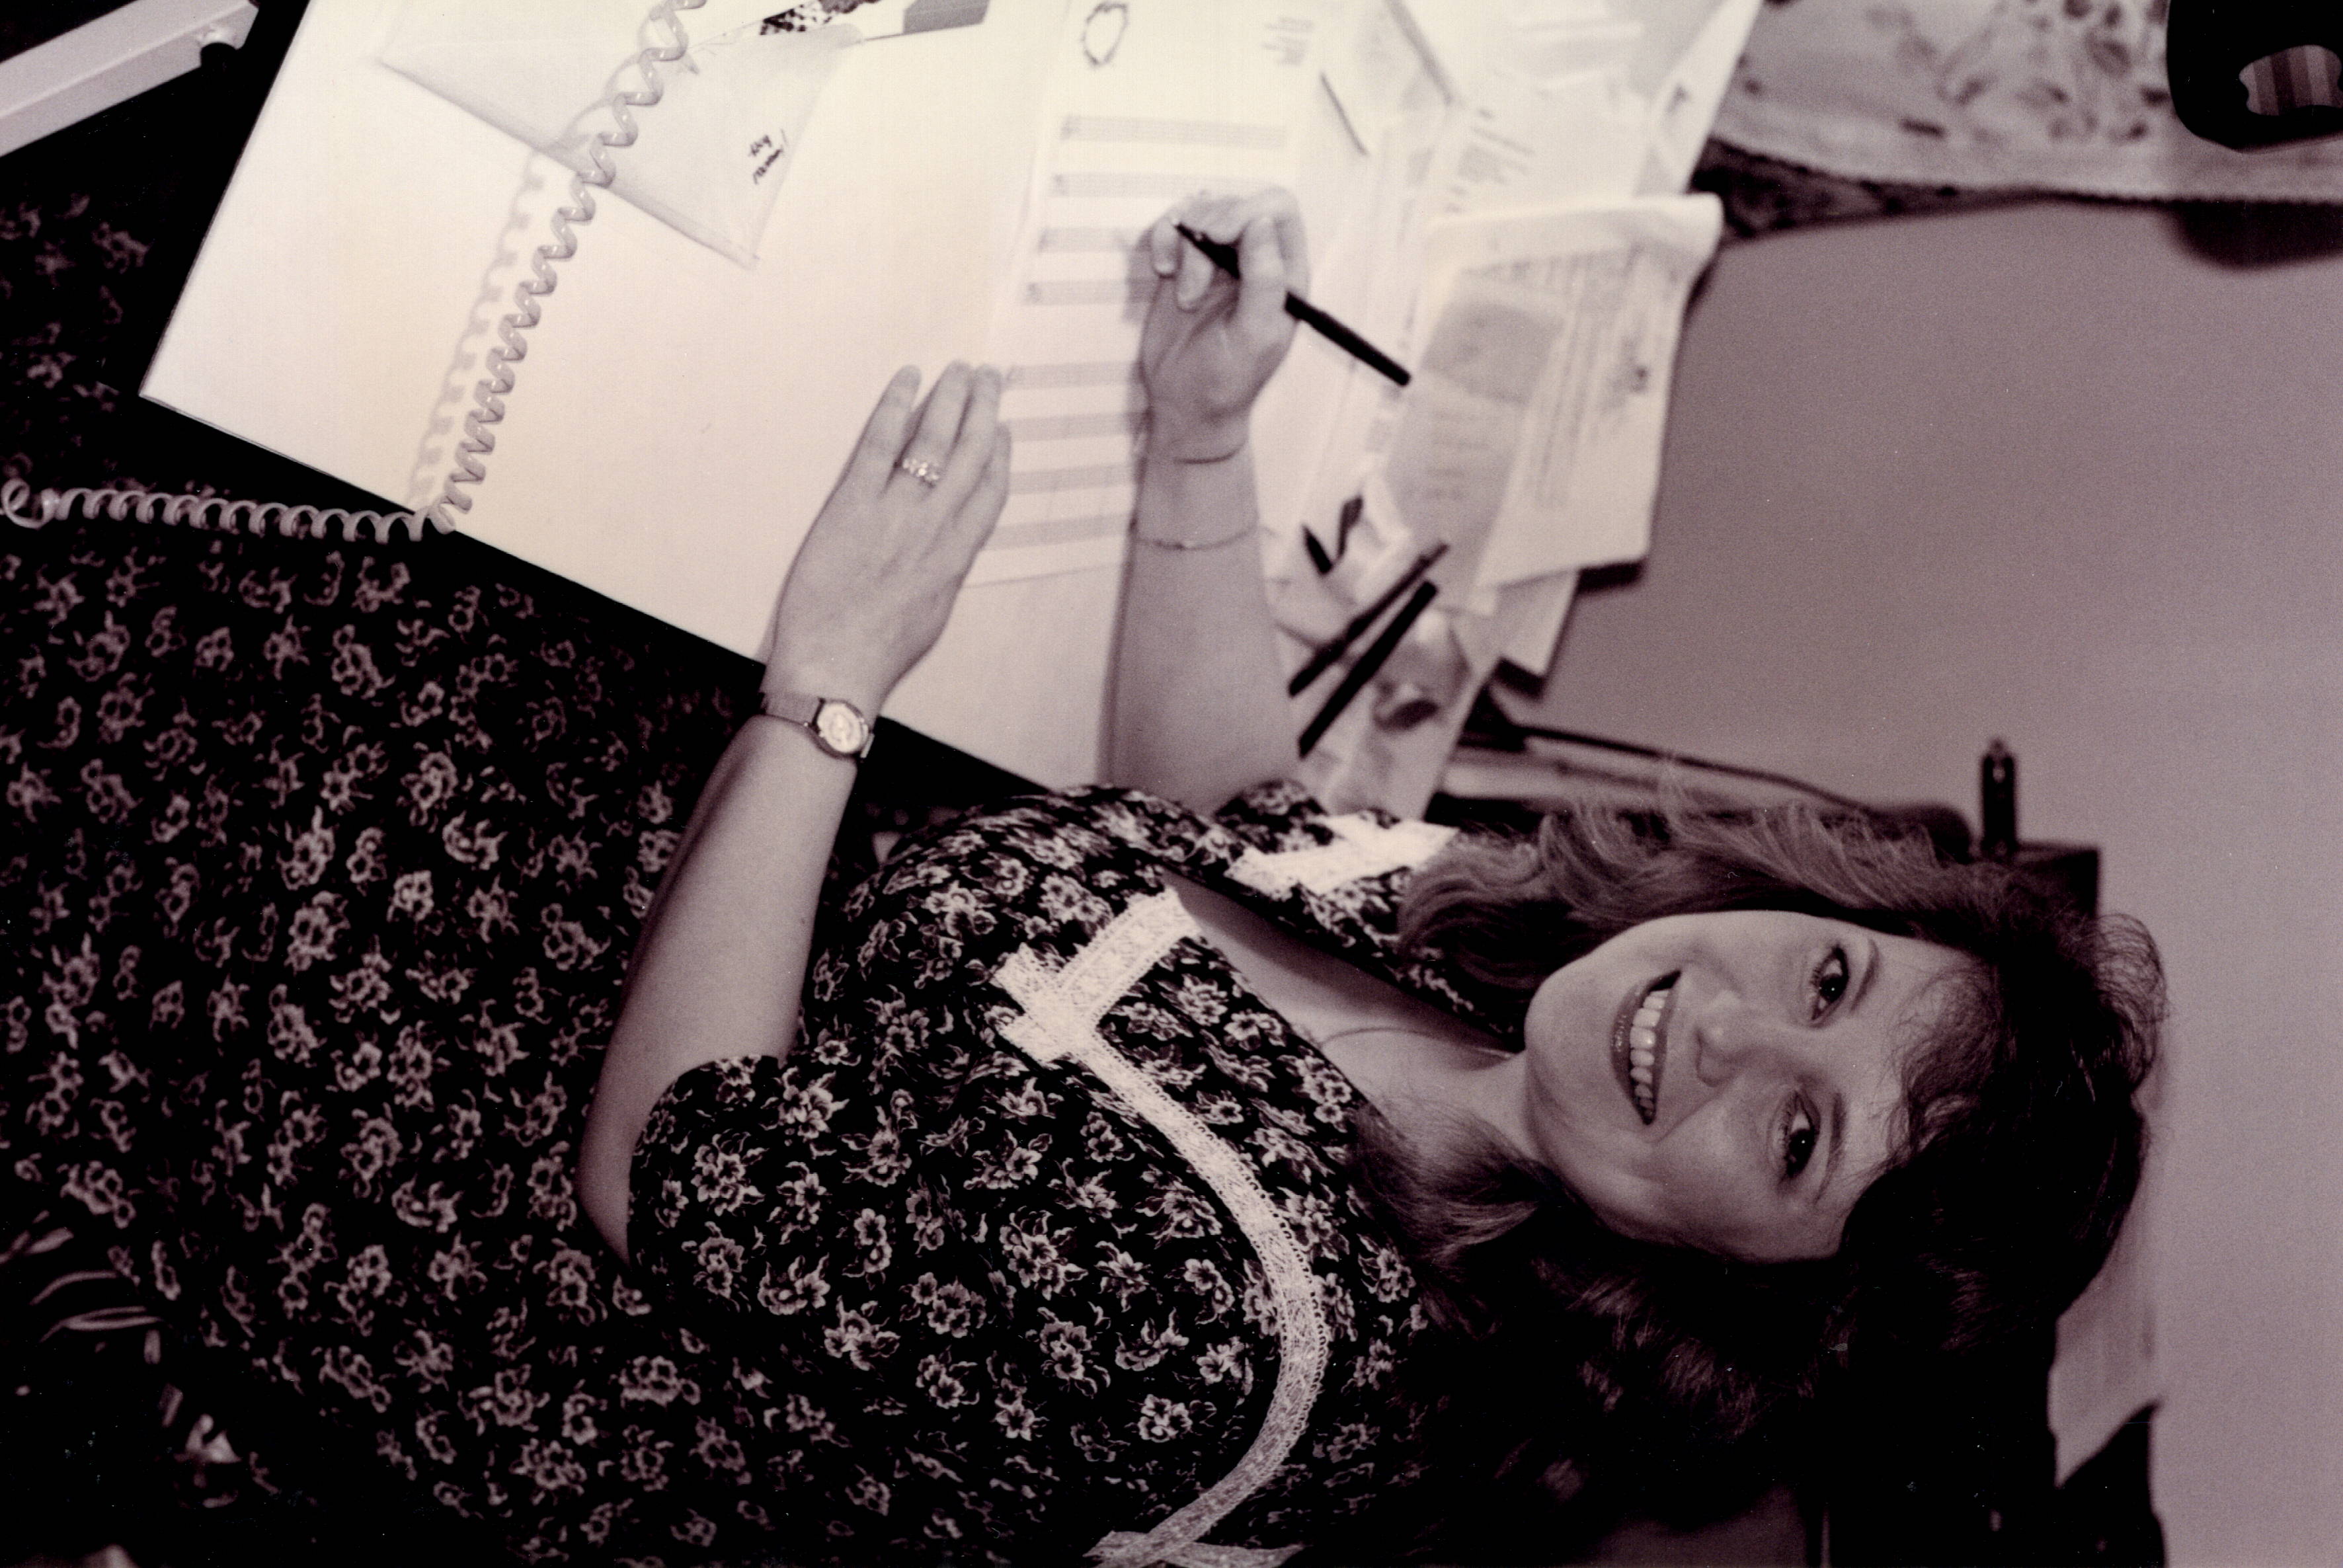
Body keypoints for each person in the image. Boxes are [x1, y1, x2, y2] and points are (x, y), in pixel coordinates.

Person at [0, 189, 2158, 1565]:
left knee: (280, 578)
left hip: (480, 1222)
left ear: (1756, 1289)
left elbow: (673, 1166)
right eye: (1831, 978)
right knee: (461, 405)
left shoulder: (1253, 1343)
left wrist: (824, 701)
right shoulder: (1522, 992)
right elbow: (1232, 810)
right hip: (675, 917)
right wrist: (1201, 450)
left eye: (1800, 1127)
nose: (1734, 1027)